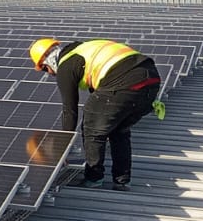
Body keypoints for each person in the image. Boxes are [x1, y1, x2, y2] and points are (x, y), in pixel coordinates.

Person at [29, 37, 164, 191]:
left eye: (45, 69)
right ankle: (122, 180)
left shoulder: (66, 66)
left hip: (125, 82)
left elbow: (70, 110)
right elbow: (101, 94)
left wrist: (62, 149)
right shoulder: (82, 50)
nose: (50, 74)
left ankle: (93, 178)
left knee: (91, 128)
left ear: (48, 62)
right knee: (118, 130)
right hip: (151, 81)